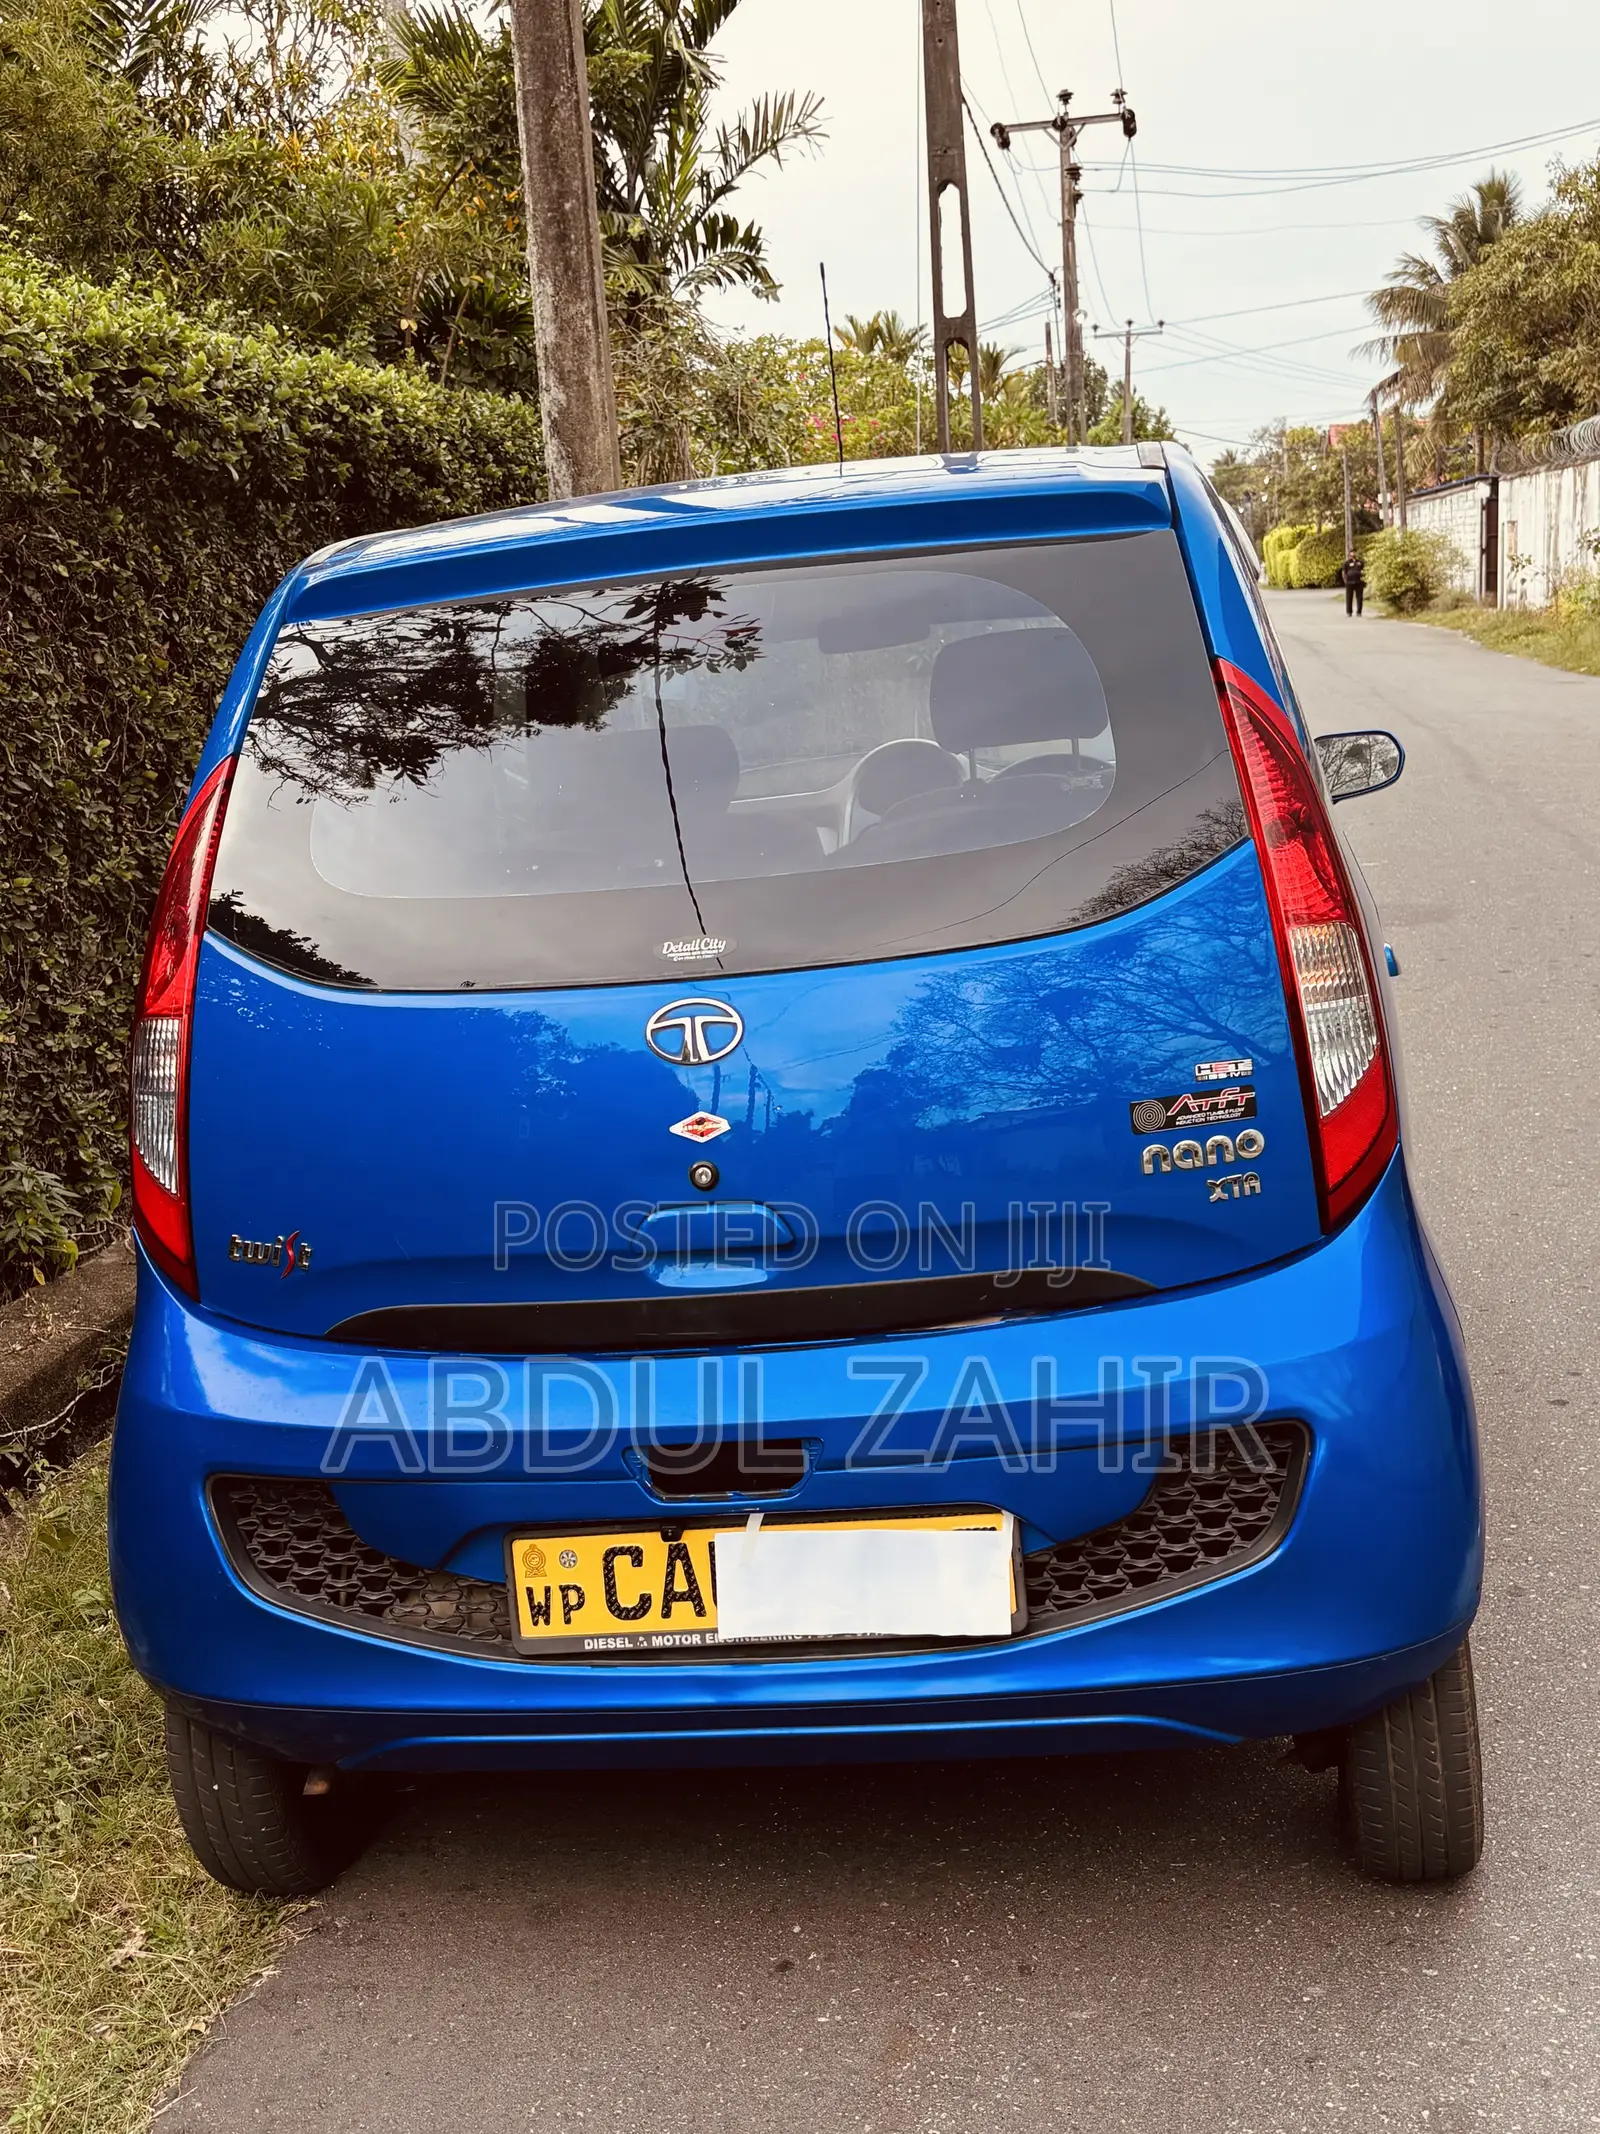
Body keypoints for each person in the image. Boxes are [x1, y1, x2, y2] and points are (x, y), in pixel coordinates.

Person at [1341, 549, 1366, 617]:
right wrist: (1345, 580)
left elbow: (1364, 570)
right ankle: (1349, 612)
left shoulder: (1360, 562)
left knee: (1359, 597)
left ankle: (1359, 612)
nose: (1353, 554)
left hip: (1359, 582)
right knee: (1349, 597)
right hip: (1349, 582)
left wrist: (1364, 578)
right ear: (1349, 555)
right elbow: (1343, 572)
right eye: (1352, 553)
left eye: (1354, 553)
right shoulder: (1347, 563)